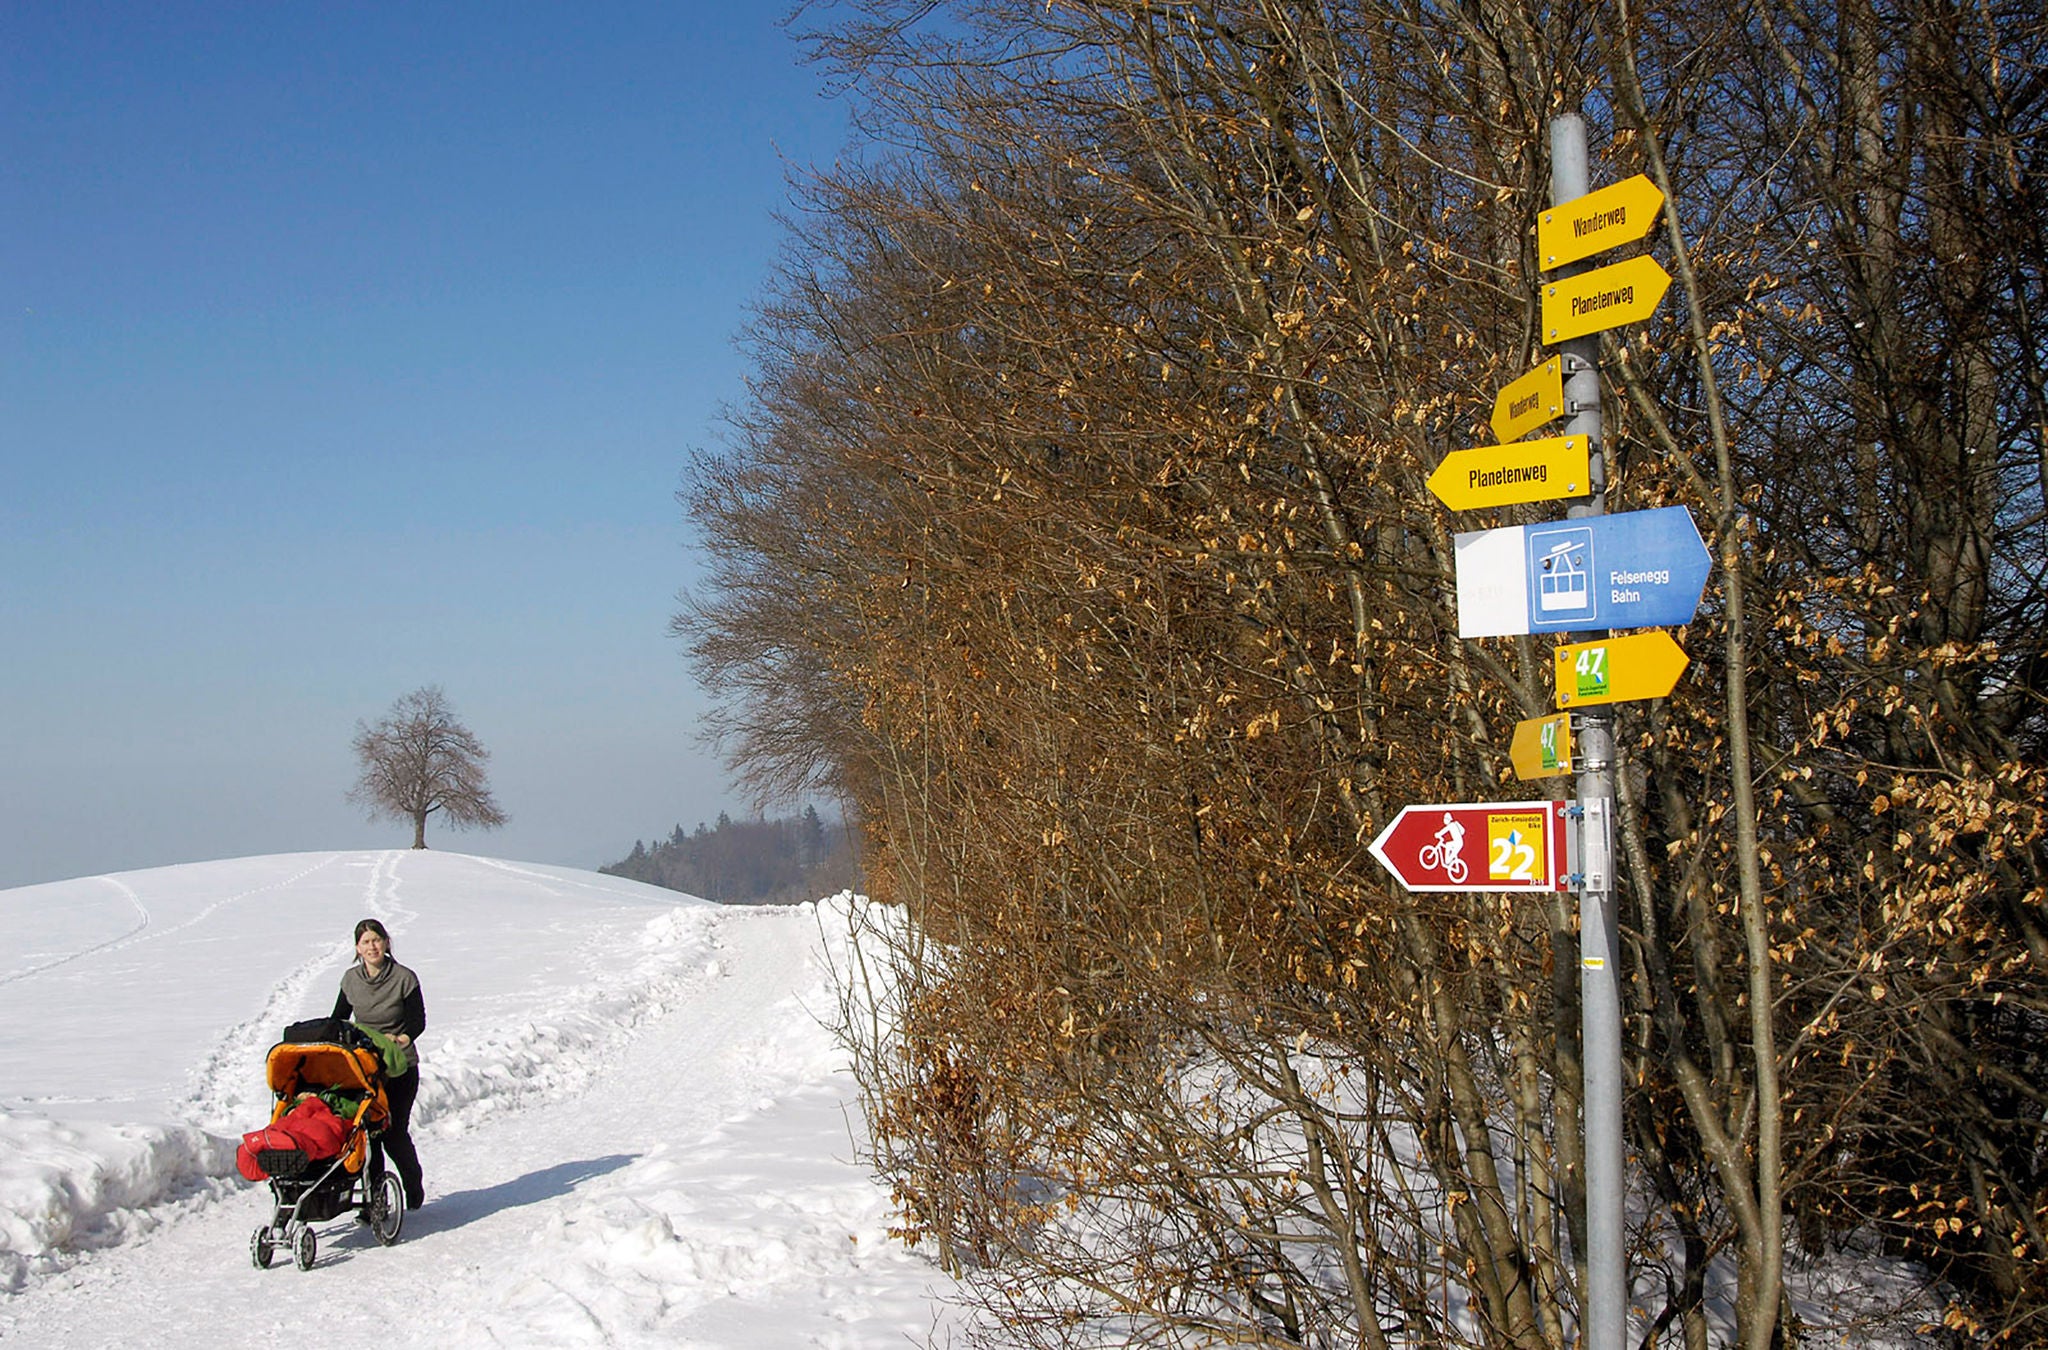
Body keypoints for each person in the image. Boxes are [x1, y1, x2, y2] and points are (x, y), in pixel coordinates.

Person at [331, 918, 426, 1210]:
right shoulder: (350, 980)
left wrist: (401, 1039)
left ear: (386, 943)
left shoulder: (404, 977)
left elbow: (417, 1020)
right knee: (368, 1136)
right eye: (365, 942)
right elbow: (338, 1018)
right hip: (366, 1067)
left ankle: (412, 1183)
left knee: (392, 1134)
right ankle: (376, 1202)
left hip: (400, 1066)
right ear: (357, 948)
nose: (372, 947)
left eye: (376, 940)